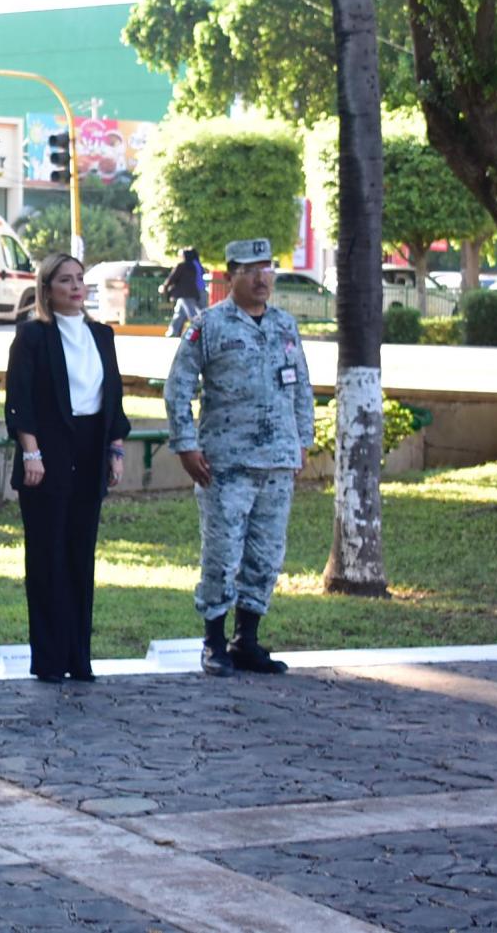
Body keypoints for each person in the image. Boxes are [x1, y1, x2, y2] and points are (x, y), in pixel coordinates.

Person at [165, 238, 314, 677]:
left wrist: (302, 440)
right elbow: (178, 387)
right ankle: (213, 642)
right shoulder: (208, 326)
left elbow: (301, 387)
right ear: (230, 277)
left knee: (266, 556)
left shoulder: (285, 325)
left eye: (267, 269)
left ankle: (246, 640)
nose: (261, 278)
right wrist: (186, 444)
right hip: (226, 465)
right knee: (222, 554)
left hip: (277, 462)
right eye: (251, 271)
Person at [3, 253, 131, 682]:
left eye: (79, 279)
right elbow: (19, 398)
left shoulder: (102, 334)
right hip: (47, 449)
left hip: (91, 447)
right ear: (47, 288)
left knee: (80, 553)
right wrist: (31, 452)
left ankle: (78, 656)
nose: (76, 287)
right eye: (65, 280)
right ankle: (50, 660)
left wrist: (115, 449)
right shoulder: (33, 336)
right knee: (47, 555)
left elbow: (113, 396)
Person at [163, 247, 206, 337]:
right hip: (197, 291)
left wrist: (165, 287)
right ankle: (173, 331)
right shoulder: (197, 264)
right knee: (180, 312)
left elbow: (173, 278)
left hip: (188, 292)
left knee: (193, 313)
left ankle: (201, 330)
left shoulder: (186, 266)